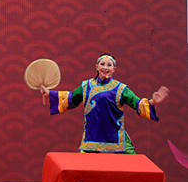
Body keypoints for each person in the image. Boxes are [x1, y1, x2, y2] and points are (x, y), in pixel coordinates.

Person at [41, 53, 169, 153]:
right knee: (83, 169)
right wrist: (49, 94)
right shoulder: (86, 86)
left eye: (109, 65)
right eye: (102, 64)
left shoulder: (120, 88)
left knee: (132, 167)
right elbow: (71, 98)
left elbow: (137, 103)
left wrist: (152, 102)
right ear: (97, 66)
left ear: (114, 69)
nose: (105, 68)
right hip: (91, 138)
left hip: (115, 138)